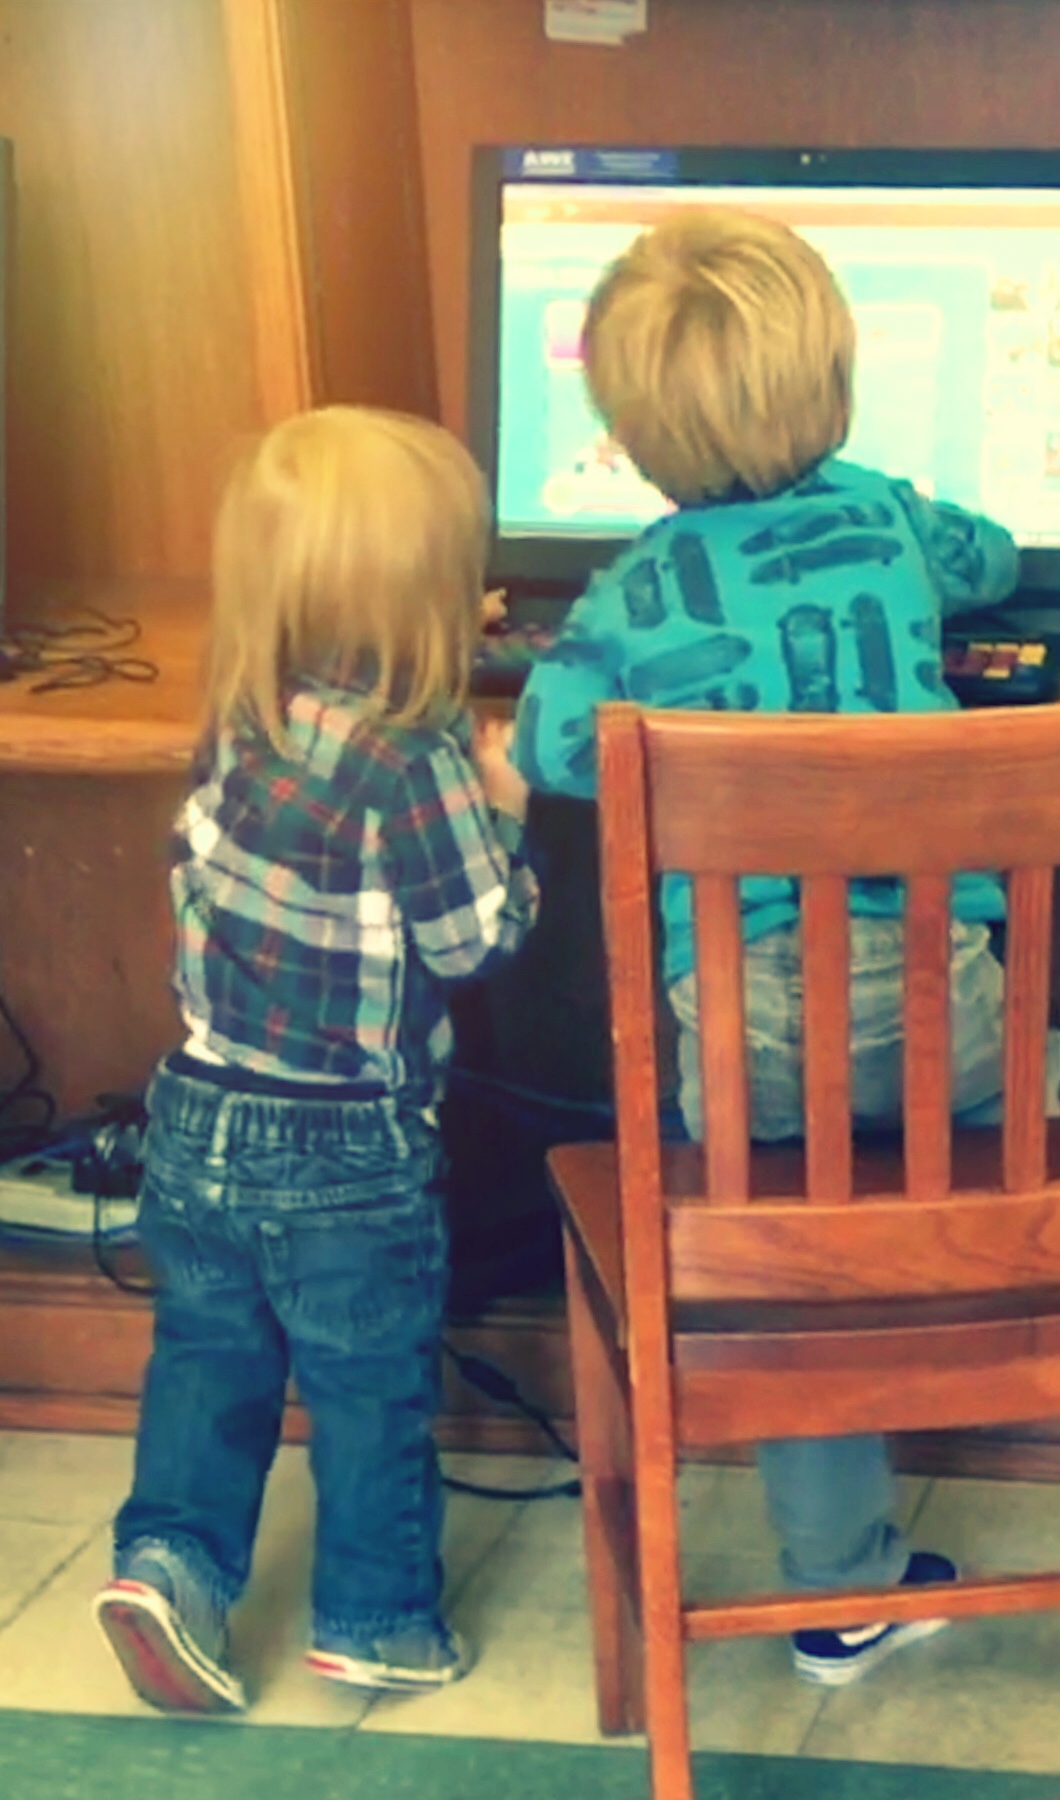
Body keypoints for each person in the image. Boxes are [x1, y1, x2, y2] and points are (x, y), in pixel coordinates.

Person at [511, 208, 1021, 1687]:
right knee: (1017, 1069)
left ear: (626, 436)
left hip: (751, 1039)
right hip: (944, 1015)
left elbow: (549, 745)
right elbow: (991, 561)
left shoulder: (634, 593)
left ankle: (839, 1588)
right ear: (837, 380)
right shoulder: (886, 519)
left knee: (790, 1260)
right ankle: (989, 1231)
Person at [94, 407, 540, 1714]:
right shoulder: (419, 762)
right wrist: (510, 811)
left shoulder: (239, 718)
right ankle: (376, 1618)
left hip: (194, 1114)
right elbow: (475, 940)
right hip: (346, 1146)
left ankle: (168, 1568)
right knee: (368, 1384)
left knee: (208, 1362)